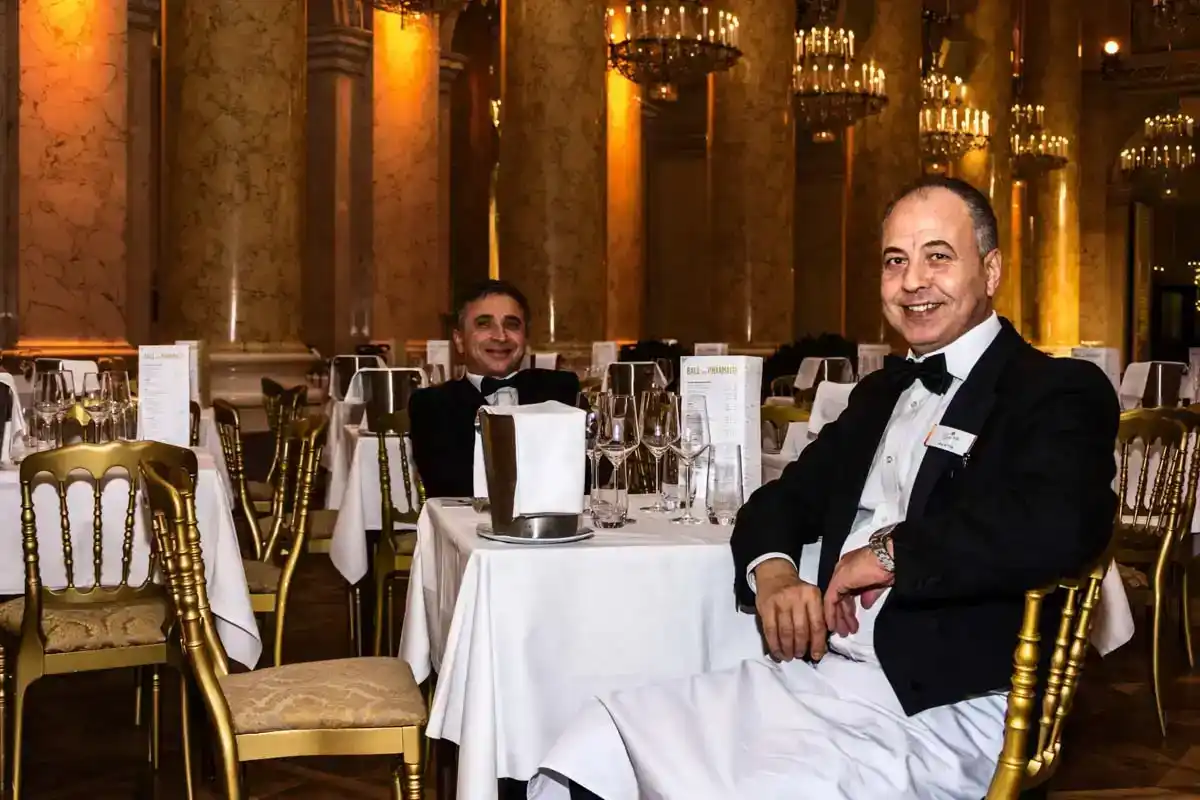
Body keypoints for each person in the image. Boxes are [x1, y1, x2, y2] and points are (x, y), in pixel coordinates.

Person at [529, 176, 1119, 799]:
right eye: (895, 261)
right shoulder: (880, 394)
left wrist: (891, 552)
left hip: (946, 707)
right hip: (823, 677)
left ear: (991, 270)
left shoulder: (1052, 389)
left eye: (938, 256)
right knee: (594, 742)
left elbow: (1059, 523)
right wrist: (774, 573)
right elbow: (783, 499)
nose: (913, 281)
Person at [409, 280, 580, 498]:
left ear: (525, 338)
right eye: (484, 324)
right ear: (459, 340)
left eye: (512, 325)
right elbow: (450, 485)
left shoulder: (560, 389)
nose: (501, 336)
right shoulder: (431, 405)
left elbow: (582, 479)